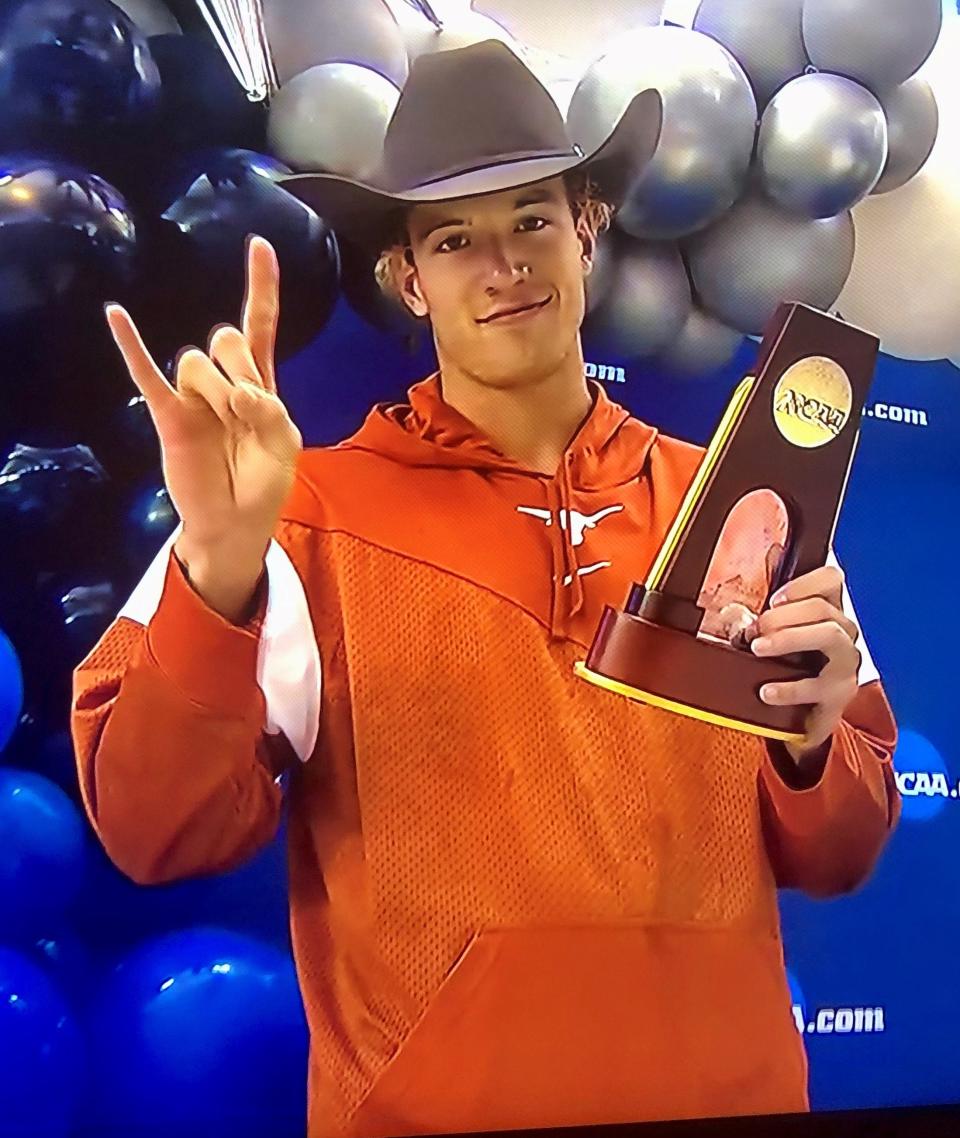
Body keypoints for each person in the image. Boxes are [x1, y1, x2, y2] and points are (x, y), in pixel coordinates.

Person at [71, 41, 900, 1138]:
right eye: (455, 238)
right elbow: (149, 829)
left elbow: (841, 850)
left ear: (589, 231)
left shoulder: (734, 503)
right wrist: (216, 572)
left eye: (532, 219)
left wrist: (809, 736)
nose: (502, 262)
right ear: (408, 278)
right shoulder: (300, 514)